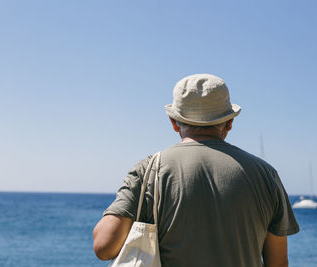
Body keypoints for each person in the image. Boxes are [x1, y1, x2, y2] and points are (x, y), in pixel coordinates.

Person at [93, 74, 299, 267]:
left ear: (174, 123)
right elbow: (278, 263)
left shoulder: (149, 169)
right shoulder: (266, 174)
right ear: (229, 123)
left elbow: (104, 246)